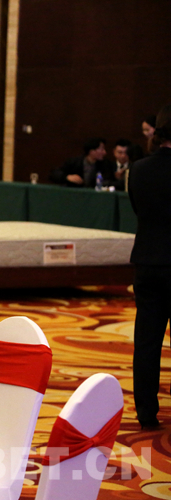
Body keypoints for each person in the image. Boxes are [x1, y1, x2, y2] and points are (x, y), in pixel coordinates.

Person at [129, 103, 171, 430]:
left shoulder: (139, 169)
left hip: (147, 260)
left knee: (146, 341)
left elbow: (137, 209)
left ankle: (146, 412)